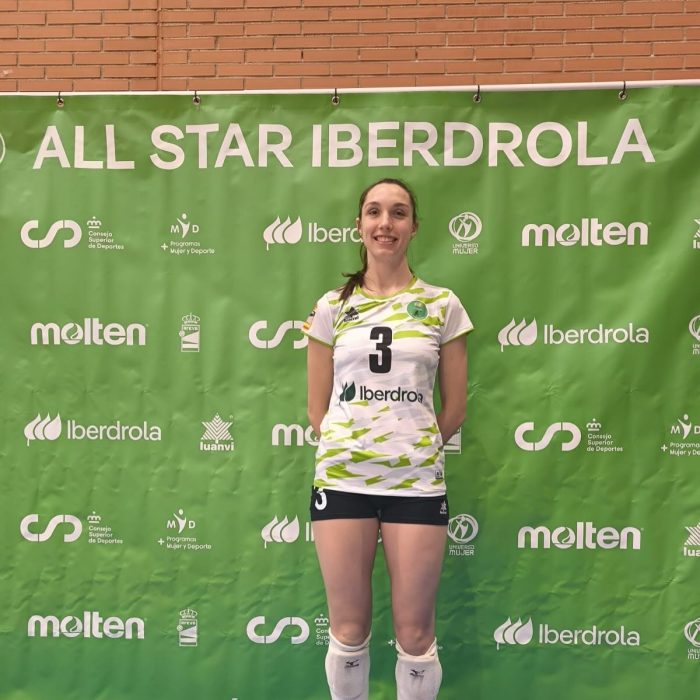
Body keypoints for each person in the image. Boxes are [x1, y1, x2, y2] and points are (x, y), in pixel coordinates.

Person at [303, 178, 472, 700]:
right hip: (343, 480)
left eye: (398, 213)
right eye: (374, 212)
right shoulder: (332, 306)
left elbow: (455, 409)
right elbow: (316, 409)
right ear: (359, 225)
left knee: (415, 634)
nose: (385, 223)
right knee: (348, 629)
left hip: (415, 484)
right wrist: (352, 447)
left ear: (414, 227)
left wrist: (412, 448)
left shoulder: (442, 305)